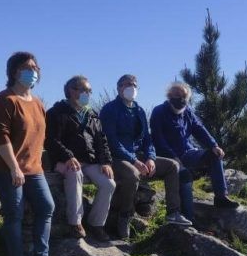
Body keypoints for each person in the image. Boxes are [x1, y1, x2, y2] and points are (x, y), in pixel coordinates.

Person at [0, 51, 65, 256]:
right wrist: (14, 168)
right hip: (4, 167)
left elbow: (39, 137)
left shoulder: (38, 103)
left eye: (35, 67)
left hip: (33, 168)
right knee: (14, 213)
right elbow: (0, 136)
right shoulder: (5, 100)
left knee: (46, 206)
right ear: (13, 72)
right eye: (26, 67)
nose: (33, 71)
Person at [99, 74, 192, 239]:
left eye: (134, 85)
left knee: (172, 166)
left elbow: (147, 139)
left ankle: (173, 212)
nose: (131, 88)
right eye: (127, 84)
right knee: (132, 175)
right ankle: (125, 216)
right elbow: (111, 141)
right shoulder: (109, 110)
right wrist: (134, 161)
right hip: (116, 158)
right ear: (119, 87)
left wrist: (150, 157)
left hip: (138, 156)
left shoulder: (139, 110)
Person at [150, 82, 239, 220]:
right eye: (177, 95)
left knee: (214, 156)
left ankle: (221, 197)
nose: (181, 99)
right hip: (167, 157)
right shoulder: (159, 111)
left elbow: (199, 128)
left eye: (184, 96)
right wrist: (174, 157)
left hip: (188, 153)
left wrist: (214, 145)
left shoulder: (187, 111)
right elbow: (158, 139)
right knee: (184, 176)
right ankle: (188, 218)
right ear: (169, 96)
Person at [45, 75, 115, 242]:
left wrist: (106, 162)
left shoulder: (92, 114)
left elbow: (101, 140)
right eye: (85, 90)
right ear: (72, 90)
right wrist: (68, 156)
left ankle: (96, 224)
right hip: (64, 161)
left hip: (90, 161)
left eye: (89, 91)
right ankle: (75, 223)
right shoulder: (56, 112)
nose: (88, 94)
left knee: (108, 183)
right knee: (75, 174)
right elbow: (51, 140)